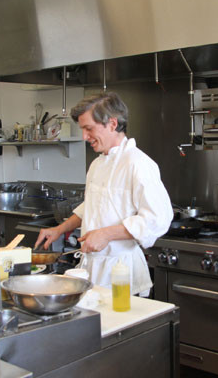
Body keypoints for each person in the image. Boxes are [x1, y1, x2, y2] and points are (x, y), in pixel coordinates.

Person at [36, 92, 173, 296]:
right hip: (92, 271)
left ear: (112, 123)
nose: (84, 137)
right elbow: (91, 206)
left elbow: (158, 219)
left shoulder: (138, 164)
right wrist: (60, 229)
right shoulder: (97, 164)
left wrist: (106, 234)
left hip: (122, 275)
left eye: (88, 128)